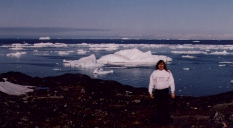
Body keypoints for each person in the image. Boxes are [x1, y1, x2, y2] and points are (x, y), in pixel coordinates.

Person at [148, 60, 175, 126]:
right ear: (157, 65)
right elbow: (151, 83)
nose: (161, 66)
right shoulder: (154, 72)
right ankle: (159, 120)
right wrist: (150, 92)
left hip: (165, 91)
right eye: (159, 64)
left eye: (162, 64)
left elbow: (171, 82)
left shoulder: (168, 72)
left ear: (164, 65)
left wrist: (172, 92)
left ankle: (166, 120)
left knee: (165, 106)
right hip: (157, 92)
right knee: (158, 106)